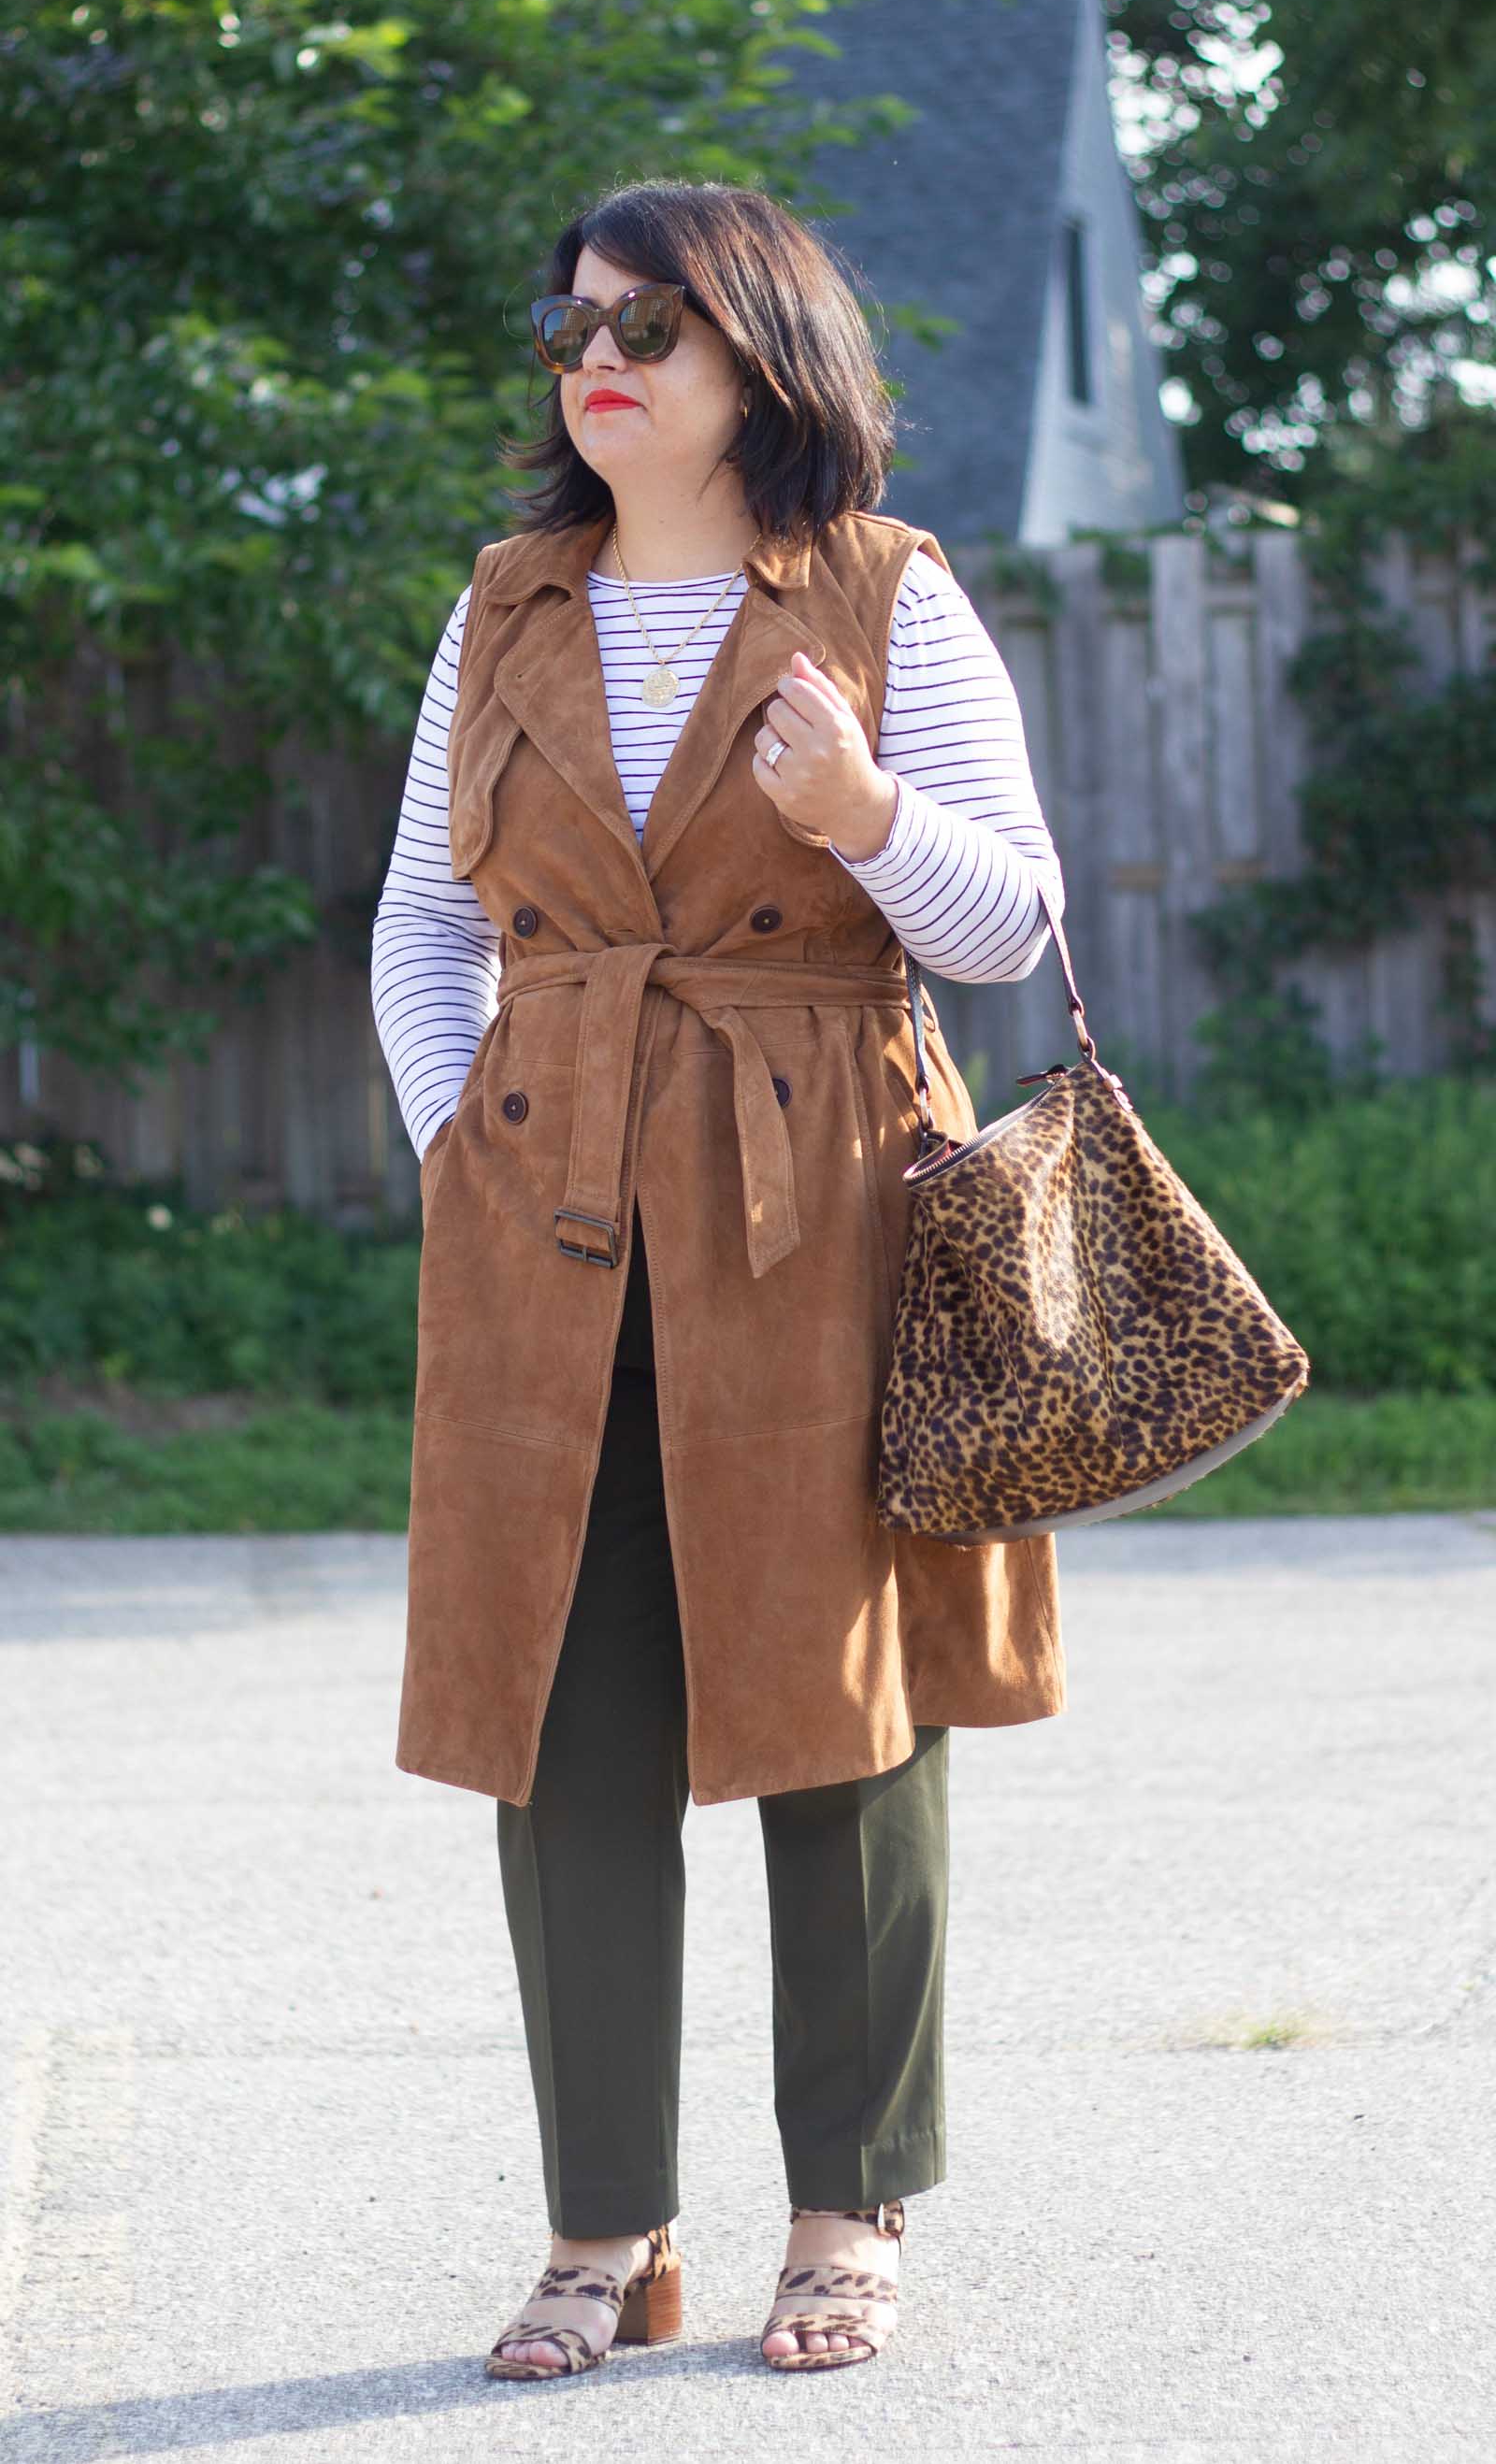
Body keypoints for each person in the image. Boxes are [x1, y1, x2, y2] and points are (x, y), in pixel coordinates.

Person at [370, 178, 1069, 2382]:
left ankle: (845, 2213)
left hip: (824, 1214)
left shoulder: (881, 595)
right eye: (572, 318)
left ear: (758, 349)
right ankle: (605, 2230)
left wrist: (863, 810)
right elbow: (414, 921)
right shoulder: (503, 607)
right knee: (556, 1720)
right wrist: (458, 1137)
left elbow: (1007, 921)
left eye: (649, 321)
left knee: (836, 1707)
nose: (597, 353)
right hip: (540, 1212)